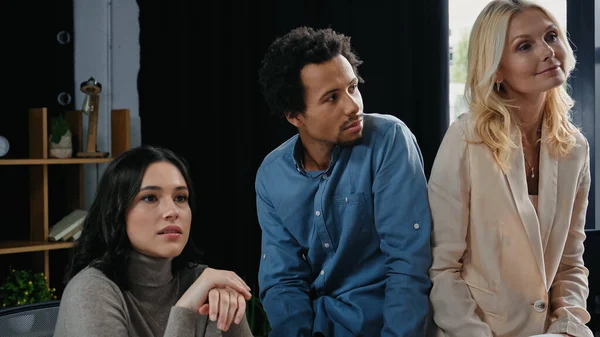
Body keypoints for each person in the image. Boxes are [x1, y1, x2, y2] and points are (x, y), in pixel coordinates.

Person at [428, 1, 592, 336]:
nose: (548, 51)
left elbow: (570, 265)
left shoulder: (575, 148)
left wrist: (567, 328)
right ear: (497, 68)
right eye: (524, 46)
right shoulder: (465, 139)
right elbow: (442, 268)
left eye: (551, 36)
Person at [255, 26, 432, 337]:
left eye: (352, 87)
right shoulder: (272, 175)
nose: (353, 106)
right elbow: (283, 281)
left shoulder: (389, 140)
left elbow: (408, 265)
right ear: (295, 115)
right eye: (332, 98)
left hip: (383, 326)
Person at [54, 145, 254, 337]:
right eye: (150, 198)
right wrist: (186, 308)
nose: (172, 211)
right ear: (117, 211)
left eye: (180, 198)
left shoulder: (205, 284)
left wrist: (231, 316)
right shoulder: (90, 291)